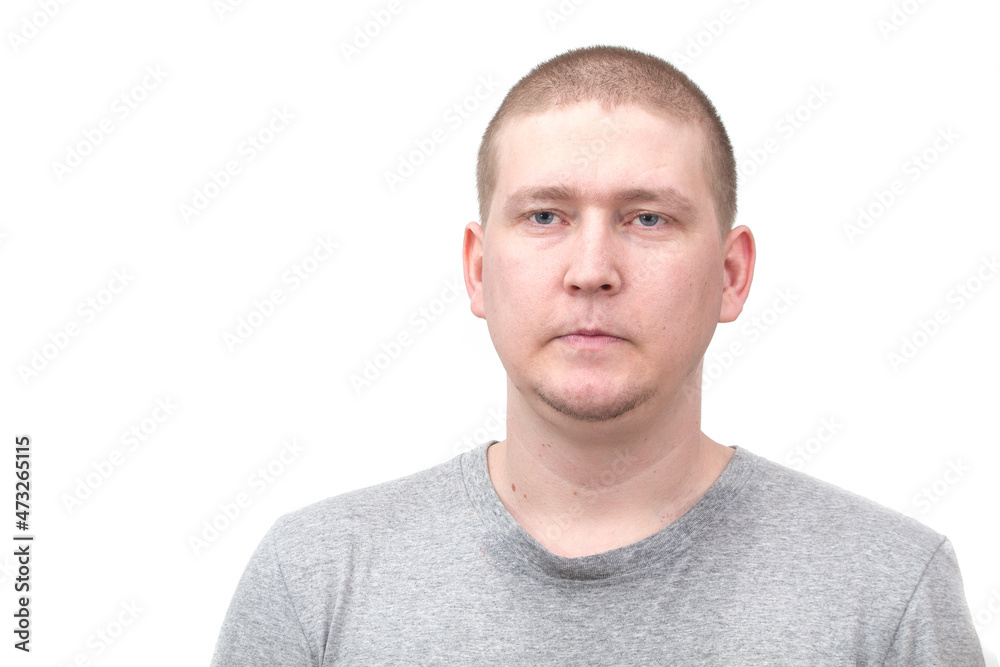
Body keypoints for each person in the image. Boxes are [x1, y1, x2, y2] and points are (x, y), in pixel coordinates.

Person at [210, 45, 985, 665]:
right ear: (478, 269)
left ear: (731, 274)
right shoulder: (315, 579)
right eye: (545, 215)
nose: (591, 269)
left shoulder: (887, 594)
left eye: (647, 219)